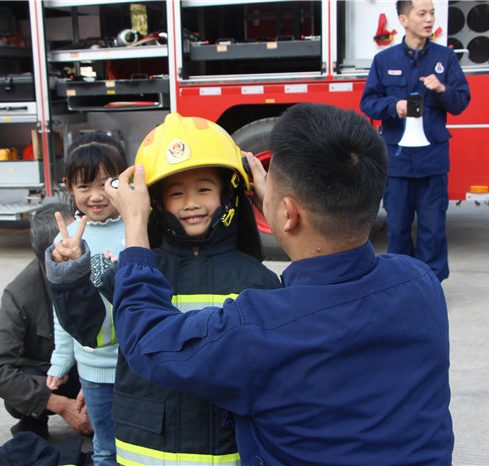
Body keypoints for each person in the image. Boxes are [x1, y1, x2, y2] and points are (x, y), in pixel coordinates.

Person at [103, 103, 454, 465]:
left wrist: (134, 224)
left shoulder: (257, 329)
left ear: (288, 213)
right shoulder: (420, 283)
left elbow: (145, 339)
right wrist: (281, 206)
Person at [47, 113, 281, 465]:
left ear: (229, 194)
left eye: (204, 188)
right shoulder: (135, 271)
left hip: (223, 448)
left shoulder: (257, 279)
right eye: (176, 192)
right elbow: (98, 333)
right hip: (144, 450)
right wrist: (70, 277)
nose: (191, 202)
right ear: (154, 202)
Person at [360, 0, 471, 282]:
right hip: (397, 161)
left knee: (433, 229)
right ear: (404, 19)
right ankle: (401, 284)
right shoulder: (384, 61)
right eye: (422, 13)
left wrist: (442, 89)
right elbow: (368, 103)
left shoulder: (445, 58)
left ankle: (431, 285)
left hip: (432, 161)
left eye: (432, 13)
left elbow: (460, 103)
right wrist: (393, 106)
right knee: (397, 228)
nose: (429, 19)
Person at [46, 132, 128, 465]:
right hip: (93, 371)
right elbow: (62, 310)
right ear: (69, 187)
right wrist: (61, 358)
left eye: (105, 183)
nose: (96, 196)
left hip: (136, 366)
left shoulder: (139, 227)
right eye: (84, 186)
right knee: (105, 450)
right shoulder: (65, 241)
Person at [0, 203, 92, 440]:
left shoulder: (97, 265)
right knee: (21, 380)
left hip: (94, 369)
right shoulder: (19, 295)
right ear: (48, 256)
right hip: (54, 378)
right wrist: (61, 405)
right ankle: (34, 421)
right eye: (69, 245)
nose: (79, 249)